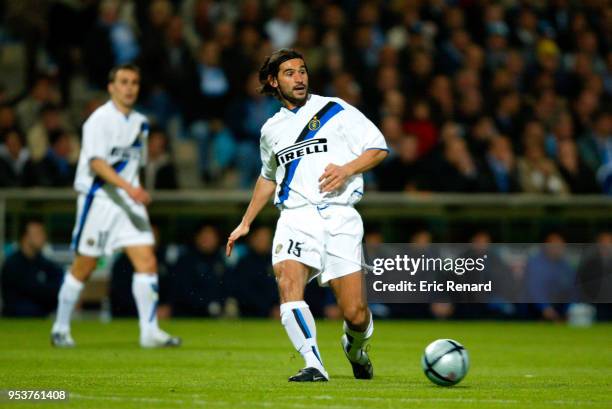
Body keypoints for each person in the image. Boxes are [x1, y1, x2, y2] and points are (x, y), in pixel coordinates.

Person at [226, 49, 388, 382]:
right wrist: (246, 222)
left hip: (341, 217)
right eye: (289, 73)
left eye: (302, 71)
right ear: (273, 81)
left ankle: (355, 349)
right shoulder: (270, 130)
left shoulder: (336, 109)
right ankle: (313, 363)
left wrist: (347, 169)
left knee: (355, 313)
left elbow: (378, 147)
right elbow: (268, 176)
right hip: (296, 217)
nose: (299, 78)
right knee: (289, 285)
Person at [50, 63, 180, 348]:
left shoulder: (141, 123)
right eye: (123, 81)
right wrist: (130, 188)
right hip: (100, 199)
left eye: (134, 82)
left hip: (128, 203)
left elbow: (137, 164)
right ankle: (60, 327)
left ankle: (149, 332)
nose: (129, 87)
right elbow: (97, 163)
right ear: (111, 87)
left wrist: (136, 188)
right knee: (85, 265)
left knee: (147, 260)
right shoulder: (98, 120)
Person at [1, 219, 63, 317]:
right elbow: (32, 290)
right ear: (25, 237)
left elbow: (60, 281)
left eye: (43, 233)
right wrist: (48, 291)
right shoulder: (12, 264)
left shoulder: (43, 262)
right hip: (15, 318)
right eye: (38, 234)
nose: (43, 237)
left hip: (41, 317)